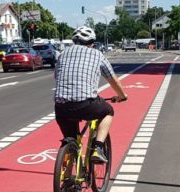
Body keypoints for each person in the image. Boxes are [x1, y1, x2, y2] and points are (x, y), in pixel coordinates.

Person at [53, 26, 128, 163]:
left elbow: (57, 76)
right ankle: (98, 148)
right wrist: (122, 96)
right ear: (91, 42)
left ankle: (68, 180)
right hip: (86, 104)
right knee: (108, 111)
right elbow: (113, 79)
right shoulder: (97, 54)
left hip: (61, 107)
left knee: (71, 141)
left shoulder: (62, 54)